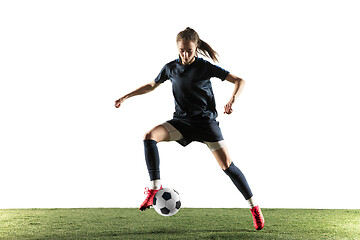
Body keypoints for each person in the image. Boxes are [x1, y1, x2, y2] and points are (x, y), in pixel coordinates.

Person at [115, 27, 265, 230]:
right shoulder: (170, 68)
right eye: (181, 50)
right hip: (182, 123)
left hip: (205, 124)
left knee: (227, 166)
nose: (185, 55)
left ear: (196, 47)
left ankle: (254, 208)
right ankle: (154, 188)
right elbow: (151, 85)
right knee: (149, 136)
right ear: (177, 48)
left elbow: (240, 80)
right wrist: (126, 96)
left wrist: (232, 100)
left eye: (189, 51)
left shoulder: (205, 67)